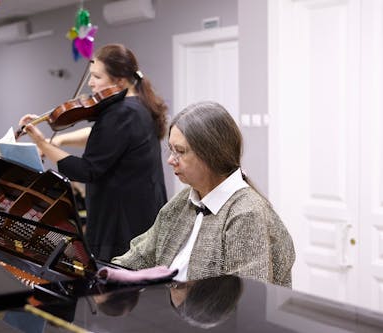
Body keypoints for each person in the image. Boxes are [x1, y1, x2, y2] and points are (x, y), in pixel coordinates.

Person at [112, 101, 296, 287]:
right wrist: (107, 274)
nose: (170, 160)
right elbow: (139, 257)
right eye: (171, 149)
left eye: (180, 151)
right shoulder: (183, 201)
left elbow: (246, 300)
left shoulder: (247, 213)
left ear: (211, 154)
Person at [19, 44, 168, 261]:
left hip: (121, 219)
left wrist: (43, 144)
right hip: (139, 210)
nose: (90, 83)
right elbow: (104, 137)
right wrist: (59, 139)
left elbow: (86, 170)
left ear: (119, 80)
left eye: (97, 77)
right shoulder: (137, 105)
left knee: (116, 285)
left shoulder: (121, 113)